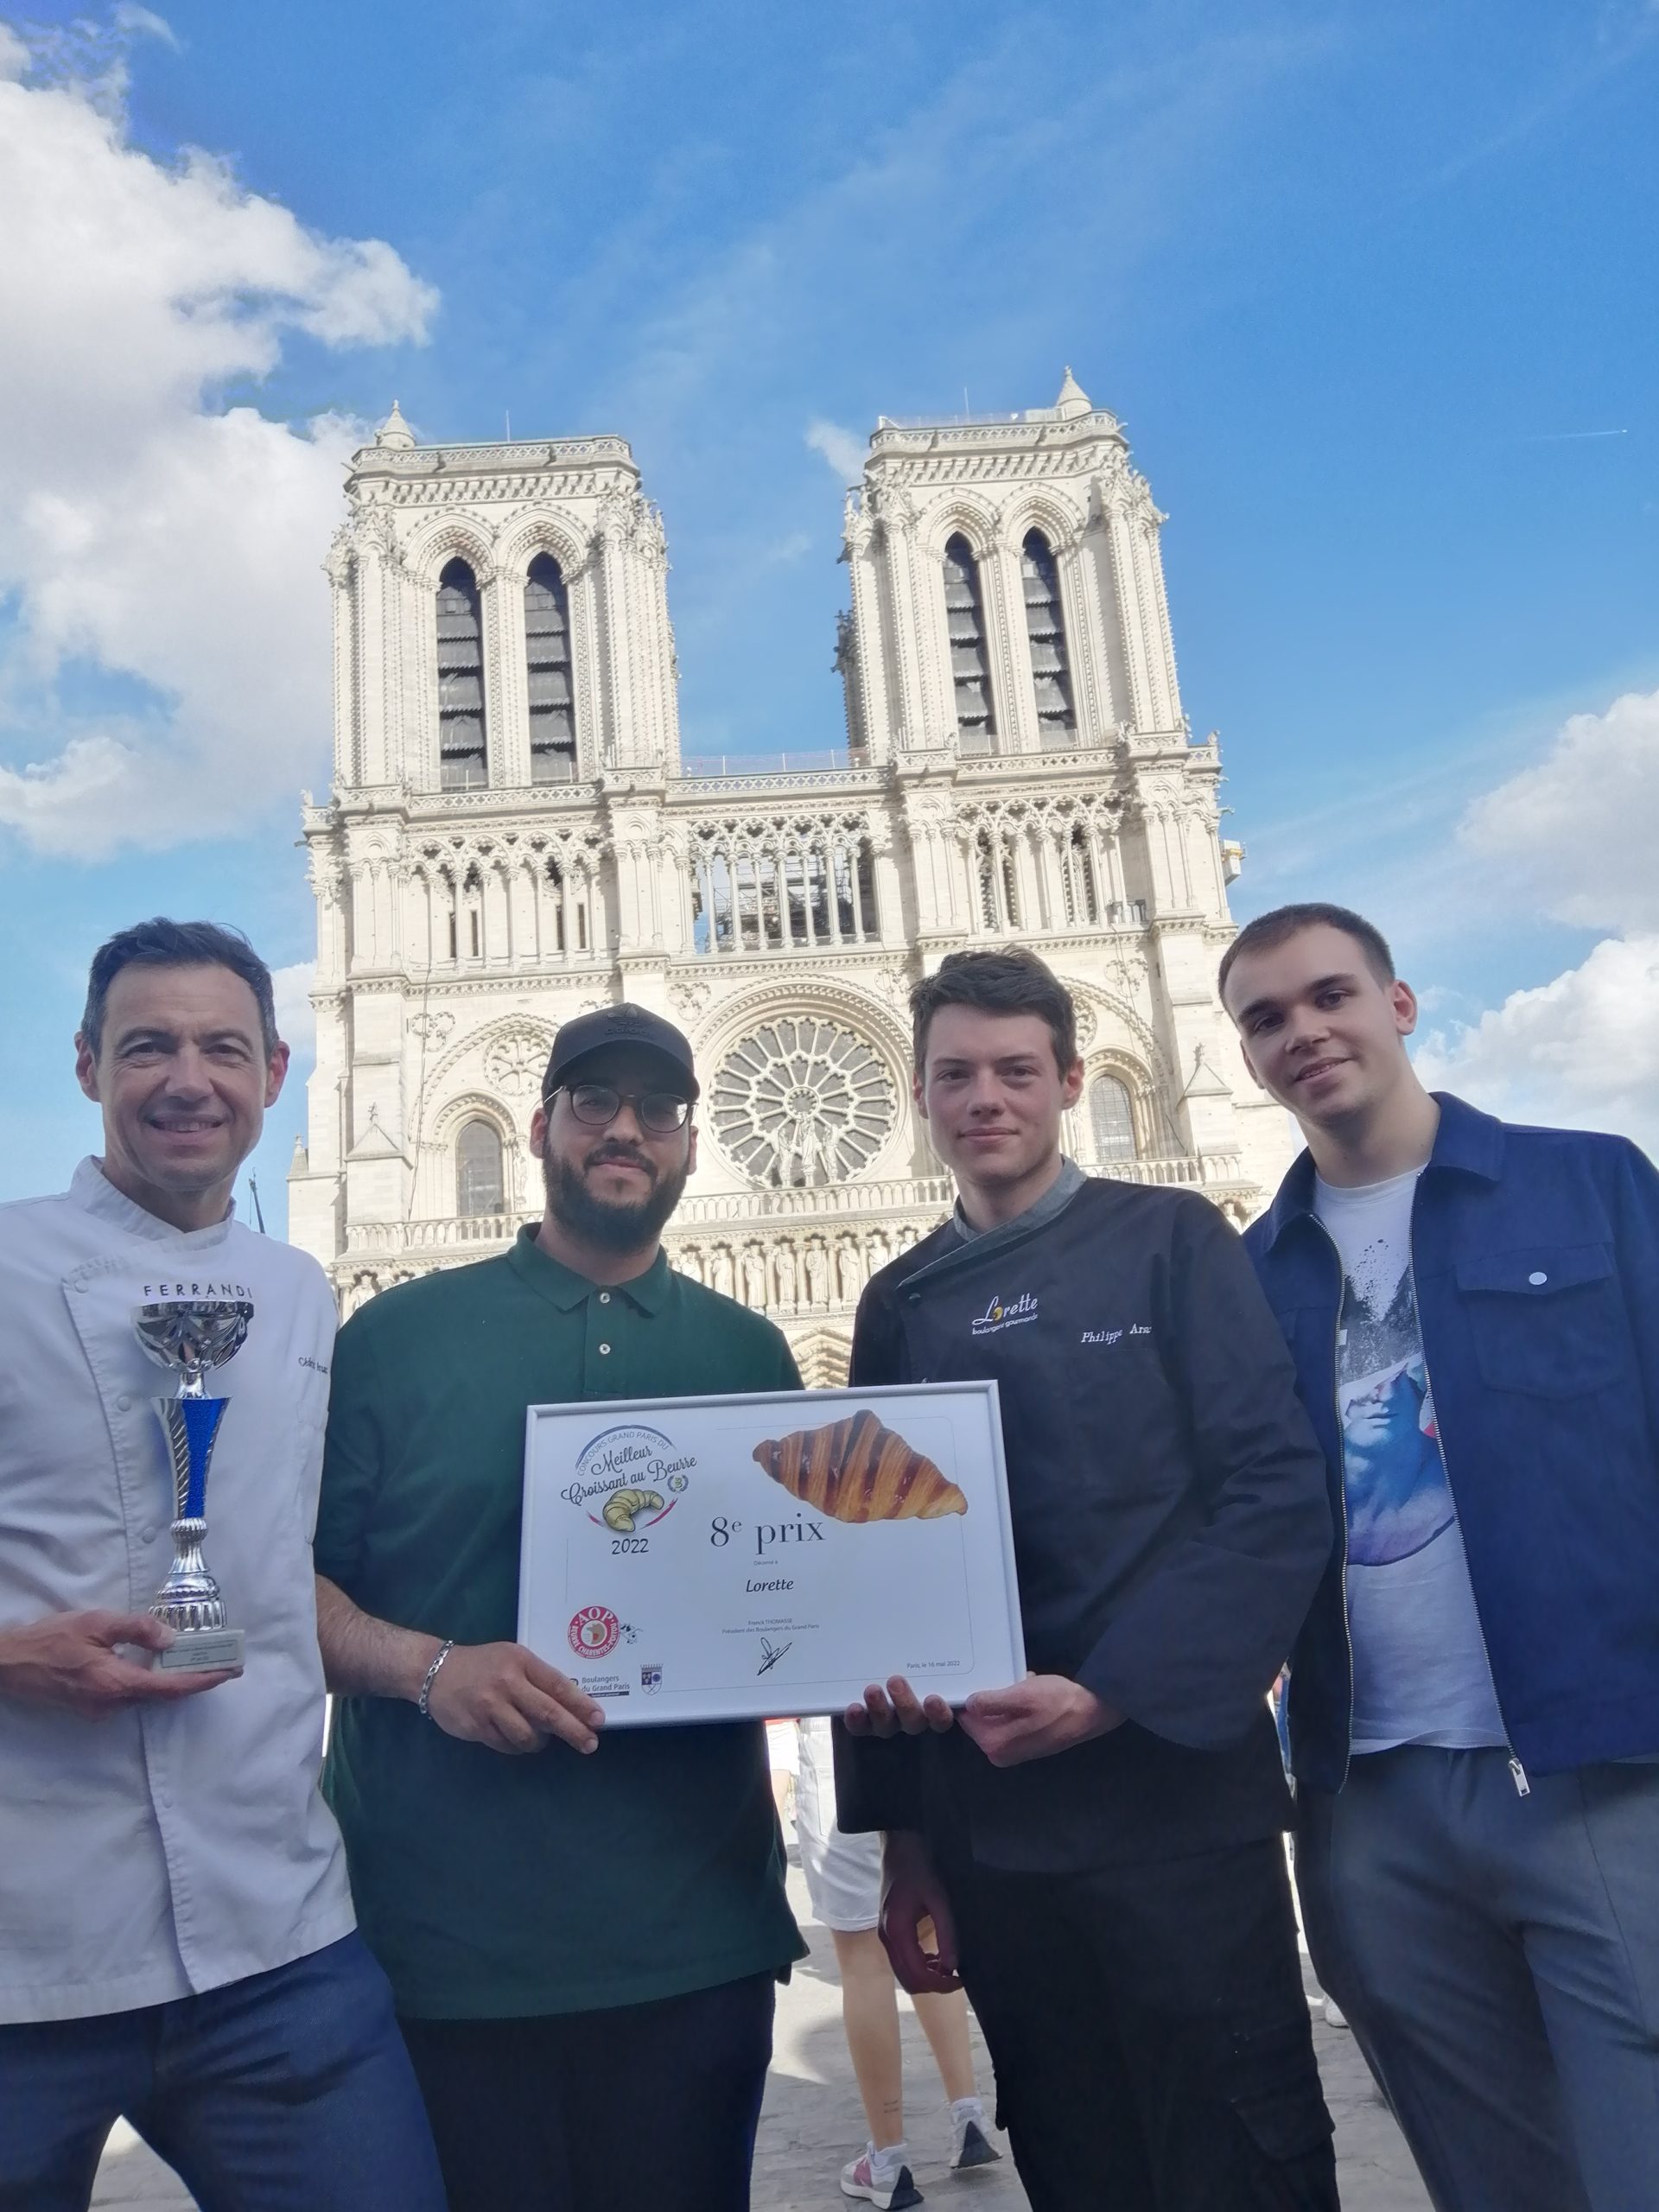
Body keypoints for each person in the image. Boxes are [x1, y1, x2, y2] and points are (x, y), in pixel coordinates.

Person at [836, 949, 1339, 2212]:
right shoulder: (896, 1302)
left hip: (1176, 1805)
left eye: (1016, 1072)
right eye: (956, 1075)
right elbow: (880, 1572)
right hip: (998, 1835)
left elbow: (1274, 1490)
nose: (985, 1099)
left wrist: (1110, 1692)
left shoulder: (1173, 1238)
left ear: (1071, 1081)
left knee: (1244, 2150)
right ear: (919, 1093)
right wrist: (904, 1849)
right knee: (1074, 2156)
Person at [314, 1003, 807, 2212]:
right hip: (442, 1951)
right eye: (594, 1102)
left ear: (693, 1143)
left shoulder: (754, 1356)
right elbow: (278, 1588)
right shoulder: (391, 1337)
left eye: (658, 1108)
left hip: (696, 1944)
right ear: (537, 1127)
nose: (625, 1129)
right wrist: (433, 1669)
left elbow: (795, 1599)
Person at [1219, 901, 1659, 2212]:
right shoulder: (1242, 1278)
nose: (1304, 1032)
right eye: (1266, 1018)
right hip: (1367, 1804)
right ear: (1244, 1056)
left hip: (1599, 1767)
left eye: (1331, 995)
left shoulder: (1591, 1185)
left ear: (1400, 1004)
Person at [0, 918, 443, 2212]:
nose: (188, 1080)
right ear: (87, 1065)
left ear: (276, 1072)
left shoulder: (299, 1290)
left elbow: (282, 1571)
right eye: (149, 1047)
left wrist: (439, 1669)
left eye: (222, 1049)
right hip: (24, 1952)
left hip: (276, 1945)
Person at [792, 1715, 999, 2210]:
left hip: (840, 1739)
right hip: (922, 1738)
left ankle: (888, 2159)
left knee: (864, 1960)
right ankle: (967, 2112)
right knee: (926, 1933)